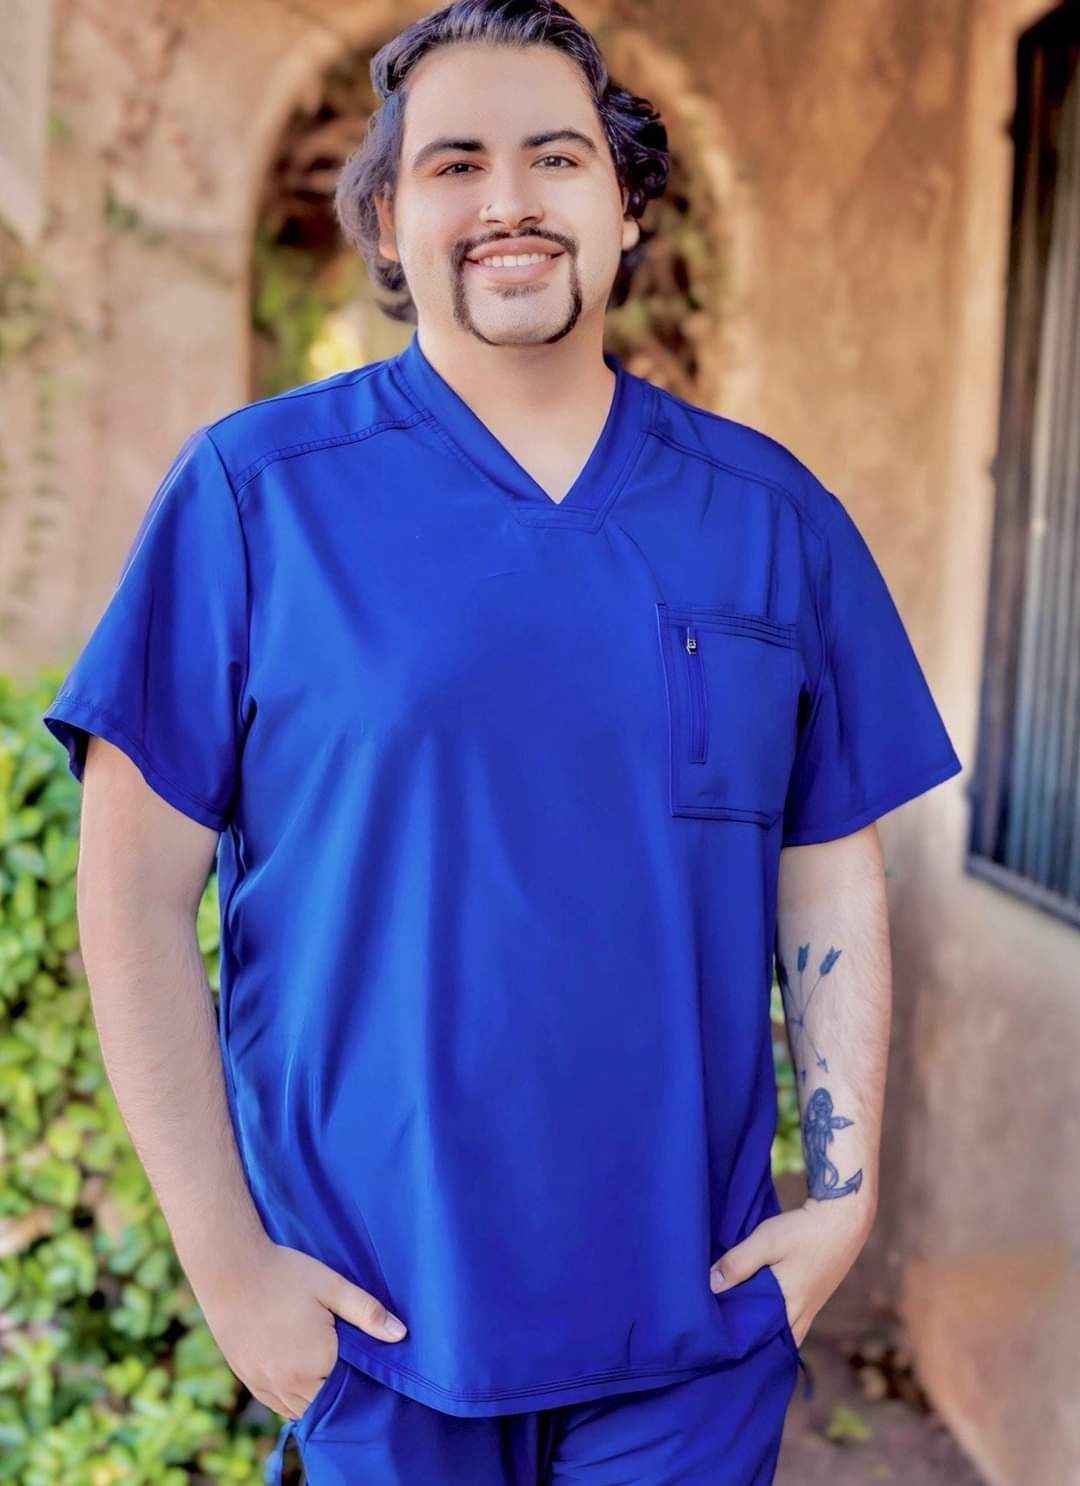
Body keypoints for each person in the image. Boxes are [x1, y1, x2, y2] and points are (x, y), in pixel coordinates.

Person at [41, 1, 963, 1482]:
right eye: (455, 163)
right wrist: (227, 1263)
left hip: (692, 1335)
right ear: (391, 222)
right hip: (378, 1340)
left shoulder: (773, 517)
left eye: (557, 157)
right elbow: (130, 891)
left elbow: (826, 859)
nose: (510, 200)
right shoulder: (255, 499)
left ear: (626, 205)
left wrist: (841, 1199)